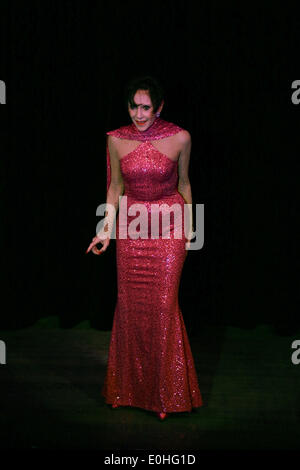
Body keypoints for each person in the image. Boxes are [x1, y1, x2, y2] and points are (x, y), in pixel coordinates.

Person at [86, 75, 203, 420]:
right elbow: (113, 190)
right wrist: (105, 231)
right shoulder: (116, 140)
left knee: (163, 308)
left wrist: (191, 231)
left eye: (146, 107)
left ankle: (166, 395)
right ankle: (127, 391)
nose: (139, 114)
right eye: (133, 106)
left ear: (159, 106)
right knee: (131, 309)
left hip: (169, 226)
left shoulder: (180, 137)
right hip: (132, 227)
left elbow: (184, 183)